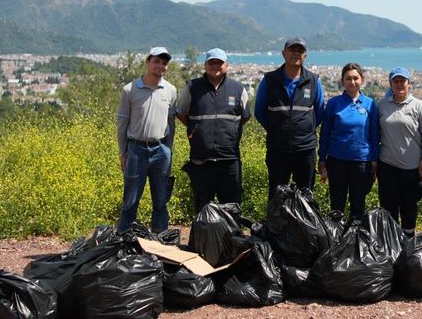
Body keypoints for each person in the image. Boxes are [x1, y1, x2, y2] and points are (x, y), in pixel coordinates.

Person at [176, 47, 251, 213]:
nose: (215, 66)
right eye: (212, 62)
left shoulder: (238, 89)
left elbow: (245, 116)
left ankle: (231, 239)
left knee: (232, 206)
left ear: (227, 65)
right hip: (201, 159)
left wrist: (230, 131)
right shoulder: (192, 87)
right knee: (202, 206)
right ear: (205, 65)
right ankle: (204, 239)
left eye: (219, 62)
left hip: (229, 159)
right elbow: (181, 113)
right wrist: (196, 129)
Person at [254, 37, 325, 200]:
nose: (296, 53)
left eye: (300, 51)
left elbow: (320, 112)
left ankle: (303, 226)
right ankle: (277, 226)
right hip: (278, 149)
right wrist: (276, 129)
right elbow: (259, 111)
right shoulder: (270, 80)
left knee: (306, 195)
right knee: (277, 193)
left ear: (305, 56)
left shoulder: (314, 81)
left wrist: (305, 129)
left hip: (305, 149)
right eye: (292, 50)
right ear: (283, 53)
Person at [116, 46, 178, 233]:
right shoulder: (130, 89)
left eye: (164, 62)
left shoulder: (171, 90)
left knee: (160, 201)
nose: (160, 66)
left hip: (161, 150)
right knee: (130, 201)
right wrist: (122, 153)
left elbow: (171, 123)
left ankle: (160, 244)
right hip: (136, 150)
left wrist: (168, 149)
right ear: (147, 62)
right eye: (156, 61)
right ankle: (124, 242)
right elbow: (122, 124)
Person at [377, 66, 422, 237]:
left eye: (403, 81)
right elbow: (375, 133)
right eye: (396, 81)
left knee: (409, 205)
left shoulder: (419, 106)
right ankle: (392, 242)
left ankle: (408, 241)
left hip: (411, 166)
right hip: (387, 164)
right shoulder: (381, 105)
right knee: (389, 206)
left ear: (409, 84)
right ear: (391, 84)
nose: (399, 84)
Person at [318, 63, 379, 219]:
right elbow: (325, 132)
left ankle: (355, 238)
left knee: (358, 203)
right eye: (348, 79)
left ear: (362, 79)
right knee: (337, 203)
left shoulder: (370, 104)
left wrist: (374, 159)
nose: (352, 82)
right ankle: (336, 236)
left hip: (362, 161)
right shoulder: (334, 103)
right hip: (337, 160)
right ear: (342, 81)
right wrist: (322, 158)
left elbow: (374, 133)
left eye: (355, 78)